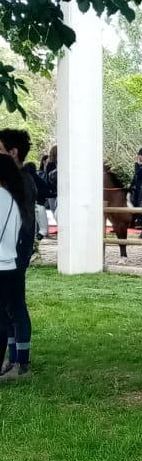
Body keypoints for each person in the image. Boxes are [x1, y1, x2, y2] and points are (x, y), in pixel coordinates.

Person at [0, 152, 35, 381]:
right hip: (9, 262)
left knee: (10, 315)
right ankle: (15, 360)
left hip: (4, 264)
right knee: (8, 314)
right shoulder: (12, 197)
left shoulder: (4, 198)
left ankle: (19, 363)